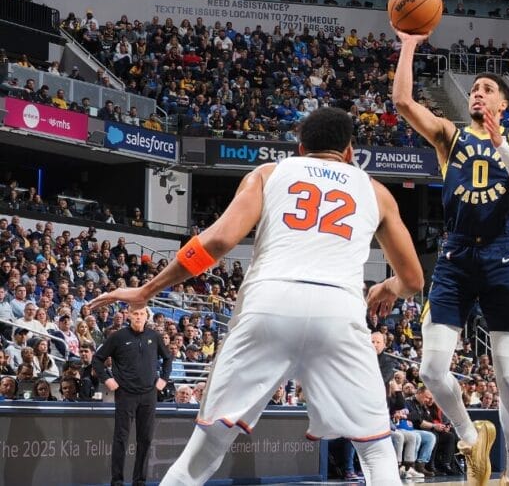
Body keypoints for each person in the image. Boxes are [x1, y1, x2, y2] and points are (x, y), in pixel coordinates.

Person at [87, 108, 424, 486]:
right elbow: (412, 279)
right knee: (376, 450)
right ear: (350, 152)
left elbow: (216, 241)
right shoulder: (376, 192)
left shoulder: (268, 174)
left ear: (299, 149)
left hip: (269, 302)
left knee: (205, 450)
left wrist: (148, 289)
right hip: (339, 310)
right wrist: (385, 288)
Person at [394, 28, 509, 486]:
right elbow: (402, 102)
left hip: (502, 262)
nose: (478, 94)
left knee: (507, 375)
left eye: (487, 89)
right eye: (475, 89)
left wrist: (501, 140)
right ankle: (469, 434)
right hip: (456, 261)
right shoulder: (449, 136)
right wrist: (408, 45)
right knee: (431, 369)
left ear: (502, 104)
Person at [91, 305, 173, 486]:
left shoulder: (154, 336)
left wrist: (164, 380)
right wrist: (107, 379)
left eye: (141, 314)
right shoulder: (118, 336)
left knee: (145, 439)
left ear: (146, 316)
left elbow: (168, 358)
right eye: (135, 314)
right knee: (121, 438)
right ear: (128, 316)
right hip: (125, 394)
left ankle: (140, 481)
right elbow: (97, 359)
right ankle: (117, 481)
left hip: (149, 395)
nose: (138, 317)